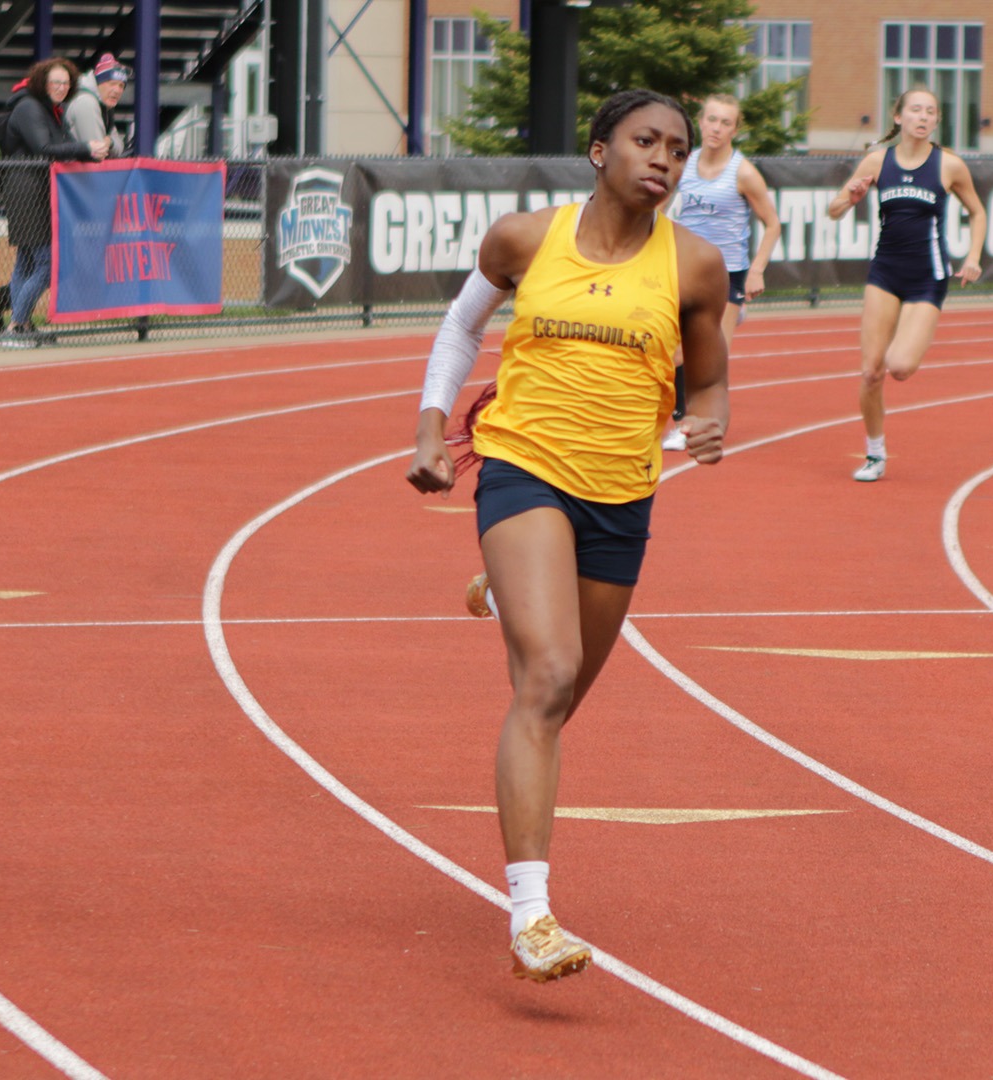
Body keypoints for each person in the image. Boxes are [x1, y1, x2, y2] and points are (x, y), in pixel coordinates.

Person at [404, 90, 729, 982]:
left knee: (559, 700)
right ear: (599, 151)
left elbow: (709, 384)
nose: (661, 157)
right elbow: (461, 328)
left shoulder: (694, 267)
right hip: (522, 465)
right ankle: (532, 915)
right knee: (543, 677)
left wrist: (708, 422)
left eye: (674, 146)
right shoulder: (525, 239)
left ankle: (510, 587)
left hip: (622, 495)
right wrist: (433, 429)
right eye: (643, 141)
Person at [826, 86, 985, 482]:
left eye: (930, 111)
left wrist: (973, 258)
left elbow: (977, 212)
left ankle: (915, 337)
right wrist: (853, 195)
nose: (923, 116)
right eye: (915, 109)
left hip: (926, 278)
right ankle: (875, 453)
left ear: (936, 121)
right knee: (870, 372)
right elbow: (833, 210)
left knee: (899, 366)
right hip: (885, 273)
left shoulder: (948, 165)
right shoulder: (878, 160)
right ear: (898, 117)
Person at [661, 93, 779, 452]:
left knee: (708, 357)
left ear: (735, 129)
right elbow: (660, 209)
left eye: (725, 122)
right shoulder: (684, 163)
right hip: (686, 268)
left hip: (727, 274)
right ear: (701, 121)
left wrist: (756, 271)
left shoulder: (743, 172)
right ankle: (682, 423)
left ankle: (693, 424)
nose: (717, 128)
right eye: (712, 119)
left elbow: (772, 224)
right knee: (676, 352)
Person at [0, 58, 107, 347]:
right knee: (46, 263)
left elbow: (55, 147)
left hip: (33, 189)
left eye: (65, 83)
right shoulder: (29, 108)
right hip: (28, 191)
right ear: (42, 82)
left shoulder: (46, 108)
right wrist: (87, 148)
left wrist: (88, 152)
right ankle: (16, 326)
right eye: (55, 83)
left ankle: (21, 325)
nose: (61, 88)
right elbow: (44, 148)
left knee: (25, 261)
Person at [67, 53, 129, 159]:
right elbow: (98, 154)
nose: (117, 90)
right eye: (112, 84)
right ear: (98, 83)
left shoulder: (105, 106)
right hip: (76, 172)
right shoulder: (86, 102)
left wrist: (110, 141)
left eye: (121, 86)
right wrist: (110, 142)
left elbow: (119, 146)